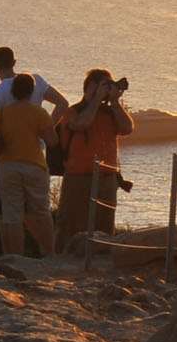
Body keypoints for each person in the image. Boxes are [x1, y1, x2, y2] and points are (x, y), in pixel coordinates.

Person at [55, 67, 133, 252]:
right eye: (104, 85)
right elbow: (81, 124)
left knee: (104, 226)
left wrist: (115, 102)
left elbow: (127, 128)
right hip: (78, 178)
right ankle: (64, 257)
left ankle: (99, 258)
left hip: (106, 178)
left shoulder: (109, 113)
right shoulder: (72, 112)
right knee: (72, 224)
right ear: (90, 87)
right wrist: (96, 99)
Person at [0, 74, 57, 257]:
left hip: (7, 166)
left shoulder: (1, 113)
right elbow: (52, 141)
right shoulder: (39, 113)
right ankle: (49, 253)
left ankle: (15, 257)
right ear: (31, 92)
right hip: (34, 165)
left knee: (11, 213)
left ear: (13, 91)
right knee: (41, 211)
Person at [0, 47, 68, 123]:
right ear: (14, 62)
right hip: (37, 140)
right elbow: (63, 103)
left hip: (12, 140)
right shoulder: (35, 81)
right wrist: (48, 128)